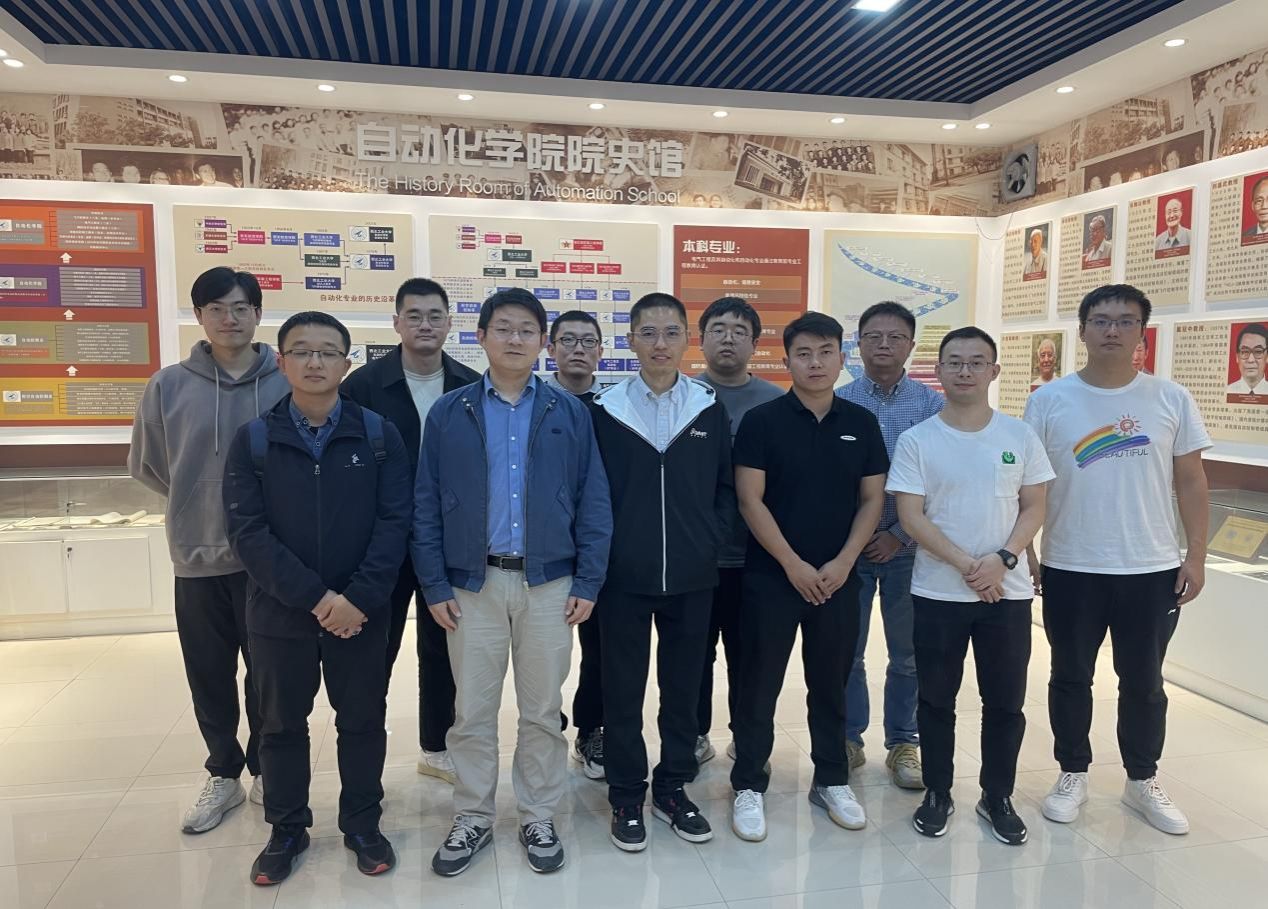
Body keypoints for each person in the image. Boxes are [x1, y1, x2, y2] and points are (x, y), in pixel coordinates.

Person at [415, 288, 611, 877]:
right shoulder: (449, 412)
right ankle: (473, 814)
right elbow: (425, 503)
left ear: (542, 342)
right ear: (481, 337)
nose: (515, 339)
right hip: (471, 587)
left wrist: (589, 580)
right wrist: (435, 584)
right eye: (503, 328)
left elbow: (593, 499)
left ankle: (538, 813)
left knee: (542, 710)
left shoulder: (568, 412)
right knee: (472, 711)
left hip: (549, 585)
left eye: (527, 330)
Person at [223, 311, 411, 885]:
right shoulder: (255, 439)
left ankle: (362, 824)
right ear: (281, 362)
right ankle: (287, 829)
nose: (314, 362)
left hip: (361, 613)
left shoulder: (378, 435)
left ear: (346, 364)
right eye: (301, 351)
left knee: (363, 720)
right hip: (280, 613)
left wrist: (356, 599)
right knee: (280, 725)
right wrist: (318, 599)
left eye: (328, 352)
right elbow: (248, 533)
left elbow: (395, 522)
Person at [1025, 284, 1211, 836]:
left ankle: (1142, 779)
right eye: (1101, 320)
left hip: (1150, 566)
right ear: (1081, 330)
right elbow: (1028, 485)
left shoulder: (1170, 398)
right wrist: (1026, 549)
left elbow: (1191, 481)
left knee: (1144, 681)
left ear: (1140, 333)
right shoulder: (1049, 400)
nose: (1112, 330)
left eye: (1126, 321)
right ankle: (1072, 772)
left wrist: (1195, 556)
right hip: (1071, 563)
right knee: (1069, 675)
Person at [129, 267, 290, 834]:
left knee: (269, 672)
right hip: (196, 558)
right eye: (217, 308)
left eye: (241, 307)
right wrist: (196, 503)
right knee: (208, 672)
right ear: (199, 316)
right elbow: (150, 465)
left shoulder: (286, 382)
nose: (230, 318)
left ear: (258, 314)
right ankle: (223, 772)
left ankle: (267, 767)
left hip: (269, 561)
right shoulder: (168, 385)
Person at [888, 327, 1054, 845]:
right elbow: (911, 516)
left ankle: (996, 795)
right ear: (938, 371)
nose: (965, 371)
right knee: (936, 700)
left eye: (977, 362)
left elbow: (1035, 506)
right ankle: (938, 792)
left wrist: (1003, 560)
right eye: (955, 362)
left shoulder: (1019, 436)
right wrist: (968, 565)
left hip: (1008, 594)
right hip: (938, 592)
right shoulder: (918, 440)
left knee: (1004, 702)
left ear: (993, 371)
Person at [729, 312, 887, 842]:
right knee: (759, 684)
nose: (815, 363)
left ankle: (832, 779)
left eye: (825, 352)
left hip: (838, 579)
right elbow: (750, 499)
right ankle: (749, 783)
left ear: (842, 358)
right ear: (786, 360)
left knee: (831, 683)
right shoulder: (763, 421)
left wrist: (844, 561)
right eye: (803, 353)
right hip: (772, 578)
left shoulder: (861, 422)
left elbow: (872, 499)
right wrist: (792, 564)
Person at [589, 292, 733, 852]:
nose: (660, 343)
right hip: (622, 578)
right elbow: (590, 495)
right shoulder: (605, 410)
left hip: (694, 578)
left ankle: (673, 787)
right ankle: (627, 794)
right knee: (622, 691)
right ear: (630, 341)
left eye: (671, 332)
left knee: (683, 690)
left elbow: (724, 488)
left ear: (686, 340)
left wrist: (709, 541)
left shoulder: (706, 407)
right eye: (647, 333)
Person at [339, 277, 480, 785]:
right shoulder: (362, 387)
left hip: (446, 541)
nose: (425, 325)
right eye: (414, 315)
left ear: (449, 324)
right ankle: (364, 747)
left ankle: (436, 746)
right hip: (381, 542)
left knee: (443, 646)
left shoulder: (469, 386)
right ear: (396, 322)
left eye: (435, 316)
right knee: (375, 648)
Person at [837, 301, 944, 789]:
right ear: (858, 343)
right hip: (850, 552)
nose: (884, 345)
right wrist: (861, 539)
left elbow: (940, 481)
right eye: (874, 336)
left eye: (895, 337)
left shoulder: (931, 406)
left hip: (911, 552)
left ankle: (904, 742)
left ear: (911, 345)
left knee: (909, 655)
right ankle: (848, 738)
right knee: (848, 651)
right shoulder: (838, 401)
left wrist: (898, 534)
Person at [692, 297, 783, 765]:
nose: (728, 339)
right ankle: (694, 734)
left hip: (756, 555)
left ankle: (747, 739)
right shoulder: (683, 396)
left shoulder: (776, 402)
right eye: (718, 329)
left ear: (755, 344)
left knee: (751, 656)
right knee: (694, 653)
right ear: (701, 338)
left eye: (740, 331)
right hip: (696, 555)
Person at [543, 309, 608, 780]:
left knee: (600, 648)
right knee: (544, 654)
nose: (578, 349)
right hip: (546, 551)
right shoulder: (534, 402)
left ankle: (592, 731)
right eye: (568, 340)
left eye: (588, 341)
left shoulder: (614, 406)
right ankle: (546, 730)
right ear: (551, 349)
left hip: (598, 548)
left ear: (601, 351)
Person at [1227, 323, 1268, 395]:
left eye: (1258, 351)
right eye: (1245, 352)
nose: (1250, 360)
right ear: (1237, 357)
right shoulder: (1227, 391)